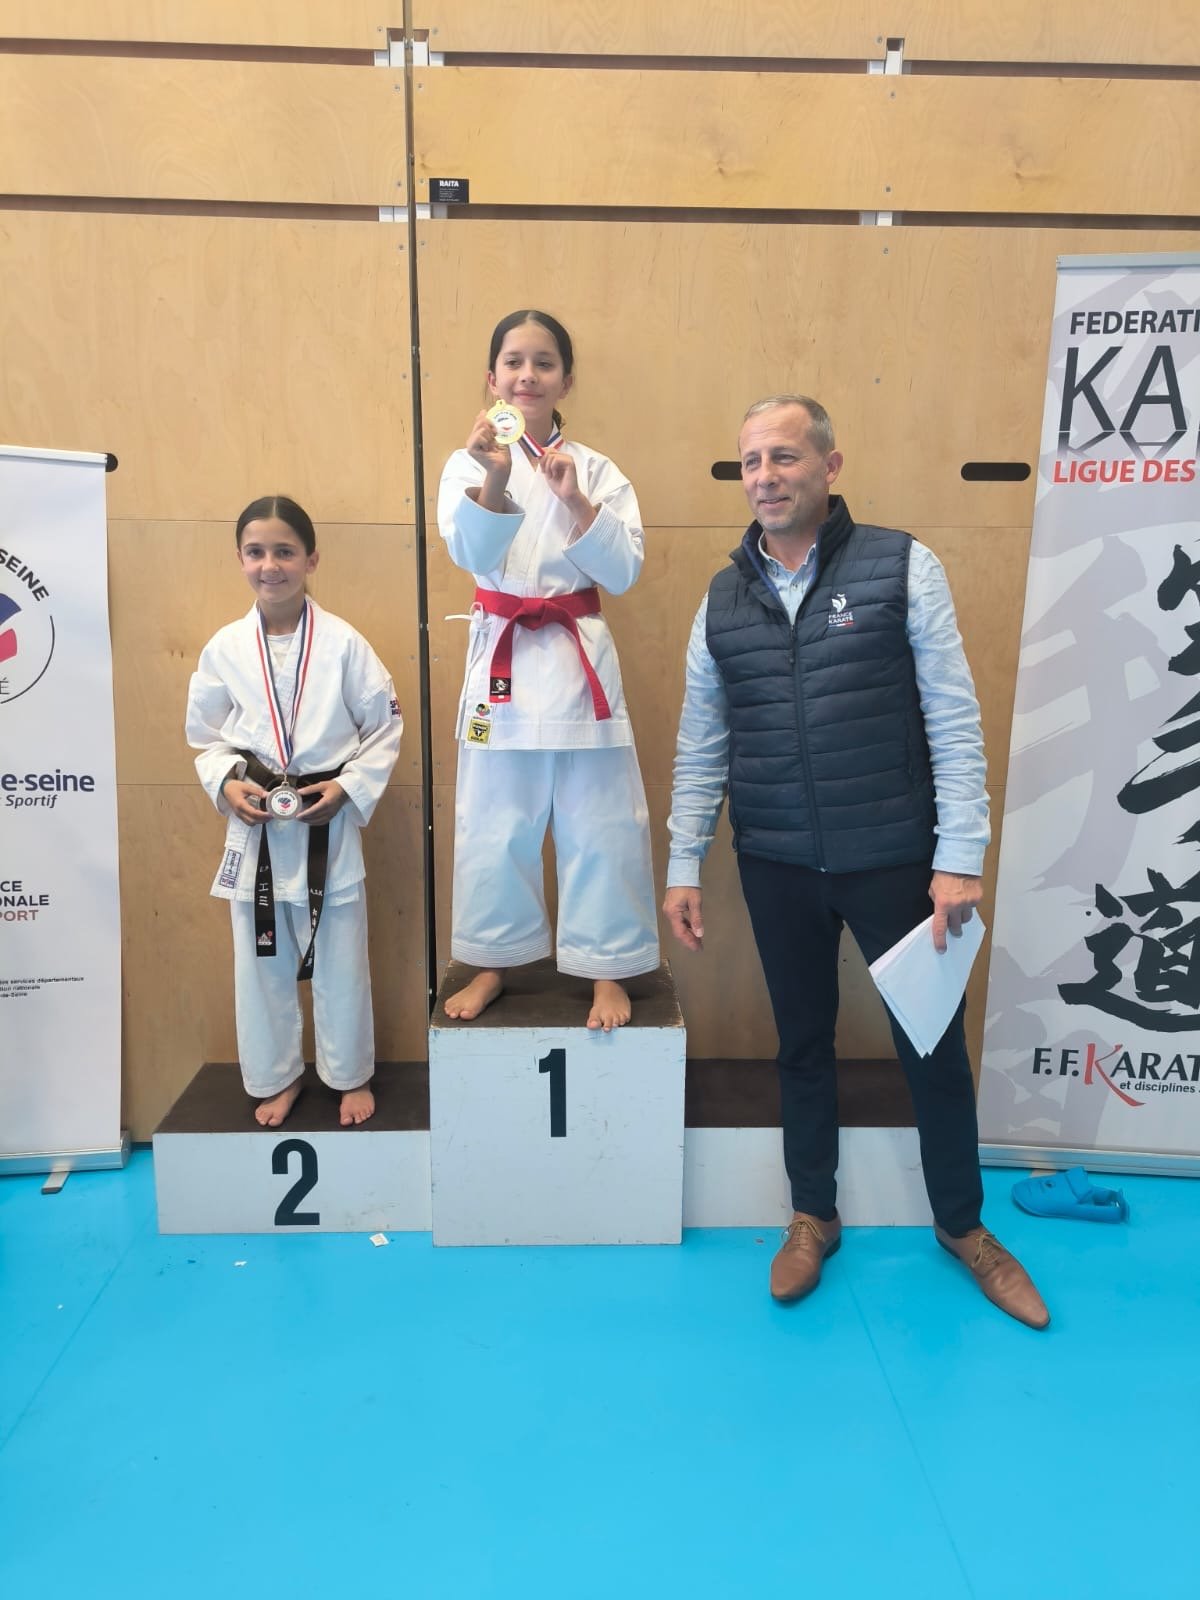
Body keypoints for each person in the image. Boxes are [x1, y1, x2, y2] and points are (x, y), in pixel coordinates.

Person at [663, 396, 1049, 1328]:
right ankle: (813, 1216)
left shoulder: (902, 565)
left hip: (895, 859)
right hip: (776, 861)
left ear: (830, 467)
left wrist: (960, 856)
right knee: (801, 1045)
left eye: (784, 457)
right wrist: (683, 860)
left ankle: (964, 1227)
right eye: (751, 461)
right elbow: (702, 741)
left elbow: (953, 717)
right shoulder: (721, 599)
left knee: (932, 1046)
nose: (765, 477)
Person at [437, 309, 659, 1030]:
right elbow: (472, 556)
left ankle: (607, 969)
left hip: (575, 659)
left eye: (543, 362)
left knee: (600, 823)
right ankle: (493, 962)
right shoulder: (467, 462)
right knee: (493, 822)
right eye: (513, 361)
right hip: (501, 657)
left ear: (566, 379)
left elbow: (623, 571)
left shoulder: (598, 470)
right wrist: (497, 477)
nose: (526, 375)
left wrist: (573, 499)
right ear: (492, 377)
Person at [186, 495, 402, 1128]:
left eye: (284, 551)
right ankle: (275, 1077)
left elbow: (384, 728)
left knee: (341, 957)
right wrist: (227, 782)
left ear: (311, 559)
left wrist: (349, 787)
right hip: (255, 822)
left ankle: (349, 1074)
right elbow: (205, 737)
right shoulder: (225, 647)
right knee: (260, 963)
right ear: (240, 559)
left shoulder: (344, 644)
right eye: (256, 552)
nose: (270, 565)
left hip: (324, 821)